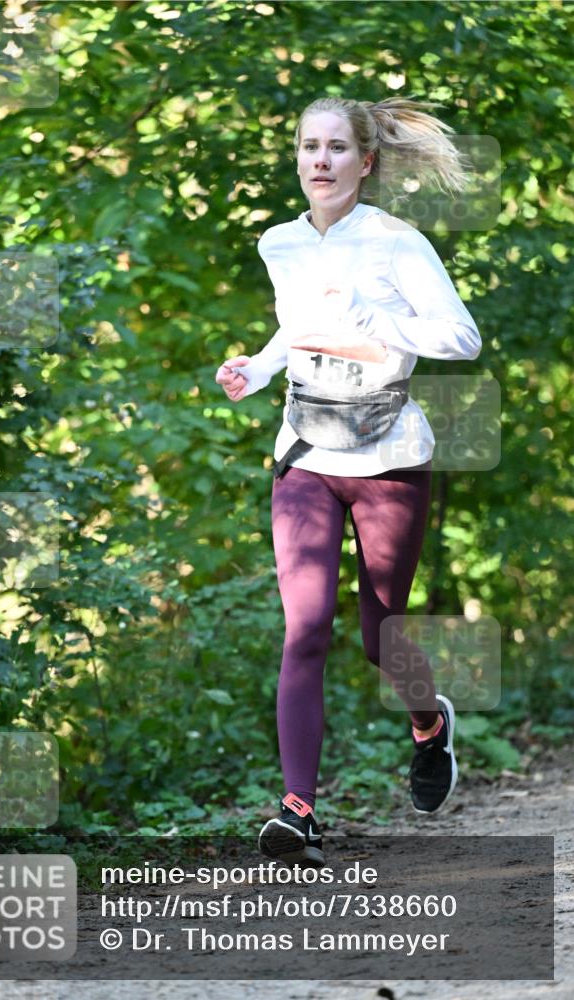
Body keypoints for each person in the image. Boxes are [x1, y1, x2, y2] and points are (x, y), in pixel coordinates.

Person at [215, 96, 481, 867]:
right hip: (305, 452)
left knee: (379, 637)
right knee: (304, 629)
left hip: (387, 456)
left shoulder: (397, 243)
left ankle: (429, 724)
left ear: (364, 162)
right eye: (308, 146)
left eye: (335, 147)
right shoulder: (279, 243)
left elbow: (460, 337)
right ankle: (297, 810)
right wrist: (257, 367)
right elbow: (295, 327)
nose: (320, 160)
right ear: (297, 157)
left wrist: (376, 324)